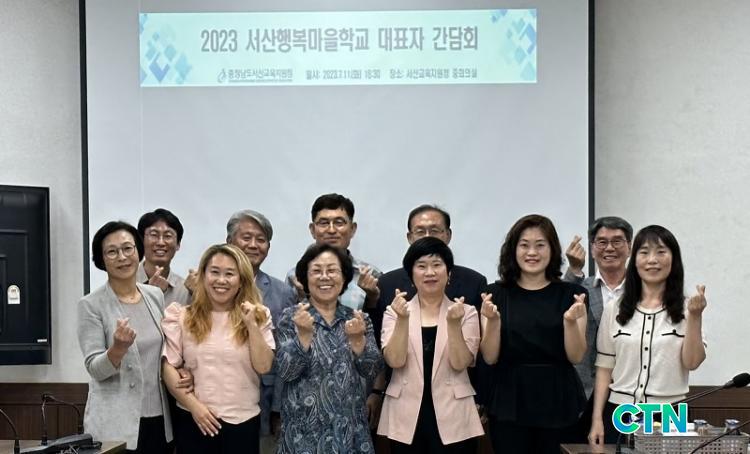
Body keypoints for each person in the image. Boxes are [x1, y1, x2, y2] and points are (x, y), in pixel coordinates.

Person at [588, 225, 707, 445]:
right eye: (644, 252)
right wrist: (596, 420)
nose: (652, 260)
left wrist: (695, 317)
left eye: (661, 252)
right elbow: (604, 369)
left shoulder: (688, 308)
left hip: (670, 414)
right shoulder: (615, 309)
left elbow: (692, 362)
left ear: (674, 260)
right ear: (634, 261)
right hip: (621, 412)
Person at [480, 214, 588, 453]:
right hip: (509, 397)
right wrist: (493, 322)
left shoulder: (572, 294)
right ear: (513, 250)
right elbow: (489, 357)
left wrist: (570, 322)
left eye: (540, 245)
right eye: (524, 245)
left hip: (558, 396)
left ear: (552, 250)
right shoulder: (494, 294)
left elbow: (576, 356)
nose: (532, 252)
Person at [161, 244, 275, 454]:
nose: (221, 280)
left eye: (229, 274)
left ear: (241, 280)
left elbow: (264, 366)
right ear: (203, 276)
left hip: (243, 423)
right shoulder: (182, 316)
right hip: (194, 420)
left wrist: (251, 325)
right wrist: (195, 407)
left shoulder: (258, 315)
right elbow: (168, 367)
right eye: (214, 272)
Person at [377, 237, 483, 453]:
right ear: (411, 274)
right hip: (406, 415)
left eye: (437, 265)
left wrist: (454, 324)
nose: (430, 272)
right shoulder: (394, 312)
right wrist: (403, 319)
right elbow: (395, 360)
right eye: (422, 266)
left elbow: (460, 363)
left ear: (449, 273)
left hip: (454, 414)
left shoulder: (466, 312)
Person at [276, 244, 384, 454]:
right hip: (302, 436)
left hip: (350, 433)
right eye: (316, 271)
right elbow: (286, 372)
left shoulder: (358, 318)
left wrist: (358, 342)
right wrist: (303, 338)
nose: (324, 277)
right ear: (305, 278)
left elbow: (372, 370)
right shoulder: (291, 318)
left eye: (332, 270)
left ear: (344, 278)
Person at [77, 221, 173, 453]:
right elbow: (95, 369)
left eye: (128, 248)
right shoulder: (91, 305)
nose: (122, 257)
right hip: (116, 423)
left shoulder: (154, 295)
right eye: (112, 252)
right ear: (101, 260)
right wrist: (117, 349)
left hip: (159, 417)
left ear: (138, 251)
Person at [225, 209, 296, 453]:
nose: (254, 245)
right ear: (229, 241)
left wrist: (278, 408)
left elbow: (286, 355)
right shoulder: (210, 285)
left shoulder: (283, 292)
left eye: (261, 239)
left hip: (263, 401)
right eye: (246, 237)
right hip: (215, 399)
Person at [563, 216, 633, 438]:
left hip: (630, 396)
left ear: (630, 247)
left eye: (617, 241)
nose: (609, 248)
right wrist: (574, 270)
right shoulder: (579, 288)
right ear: (592, 249)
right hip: (583, 395)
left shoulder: (645, 292)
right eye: (602, 242)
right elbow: (556, 308)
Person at [373, 204, 487, 338]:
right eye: (420, 232)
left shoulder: (474, 282)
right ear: (409, 237)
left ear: (448, 235)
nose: (427, 237)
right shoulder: (387, 283)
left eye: (434, 231)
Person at [286, 193, 381, 311]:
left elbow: (382, 319)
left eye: (339, 222)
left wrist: (372, 299)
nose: (331, 230)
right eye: (324, 223)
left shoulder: (371, 274)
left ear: (352, 229)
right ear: (312, 230)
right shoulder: (294, 277)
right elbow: (287, 319)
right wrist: (303, 295)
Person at [136, 208, 191, 306]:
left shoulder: (185, 291)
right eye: (154, 235)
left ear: (178, 244)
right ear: (141, 241)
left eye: (168, 236)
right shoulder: (124, 282)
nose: (161, 243)